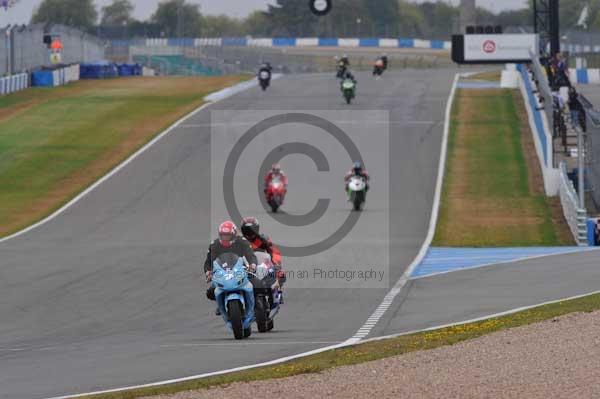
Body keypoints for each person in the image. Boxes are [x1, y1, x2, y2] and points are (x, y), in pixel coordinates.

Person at [204, 221, 257, 315]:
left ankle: (257, 303)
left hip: (241, 270)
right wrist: (208, 271)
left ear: (233, 235)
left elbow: (250, 255)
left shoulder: (242, 241)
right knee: (210, 292)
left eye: (227, 235)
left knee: (258, 284)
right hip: (222, 272)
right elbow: (208, 261)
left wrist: (252, 264)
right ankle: (220, 304)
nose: (225, 238)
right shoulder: (214, 245)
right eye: (223, 235)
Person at [240, 217, 286, 303]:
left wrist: (276, 263)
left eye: (252, 230)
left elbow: (274, 251)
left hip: (262, 264)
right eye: (247, 230)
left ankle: (277, 292)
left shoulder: (262, 239)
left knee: (280, 273)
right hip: (246, 265)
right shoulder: (239, 241)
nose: (250, 233)